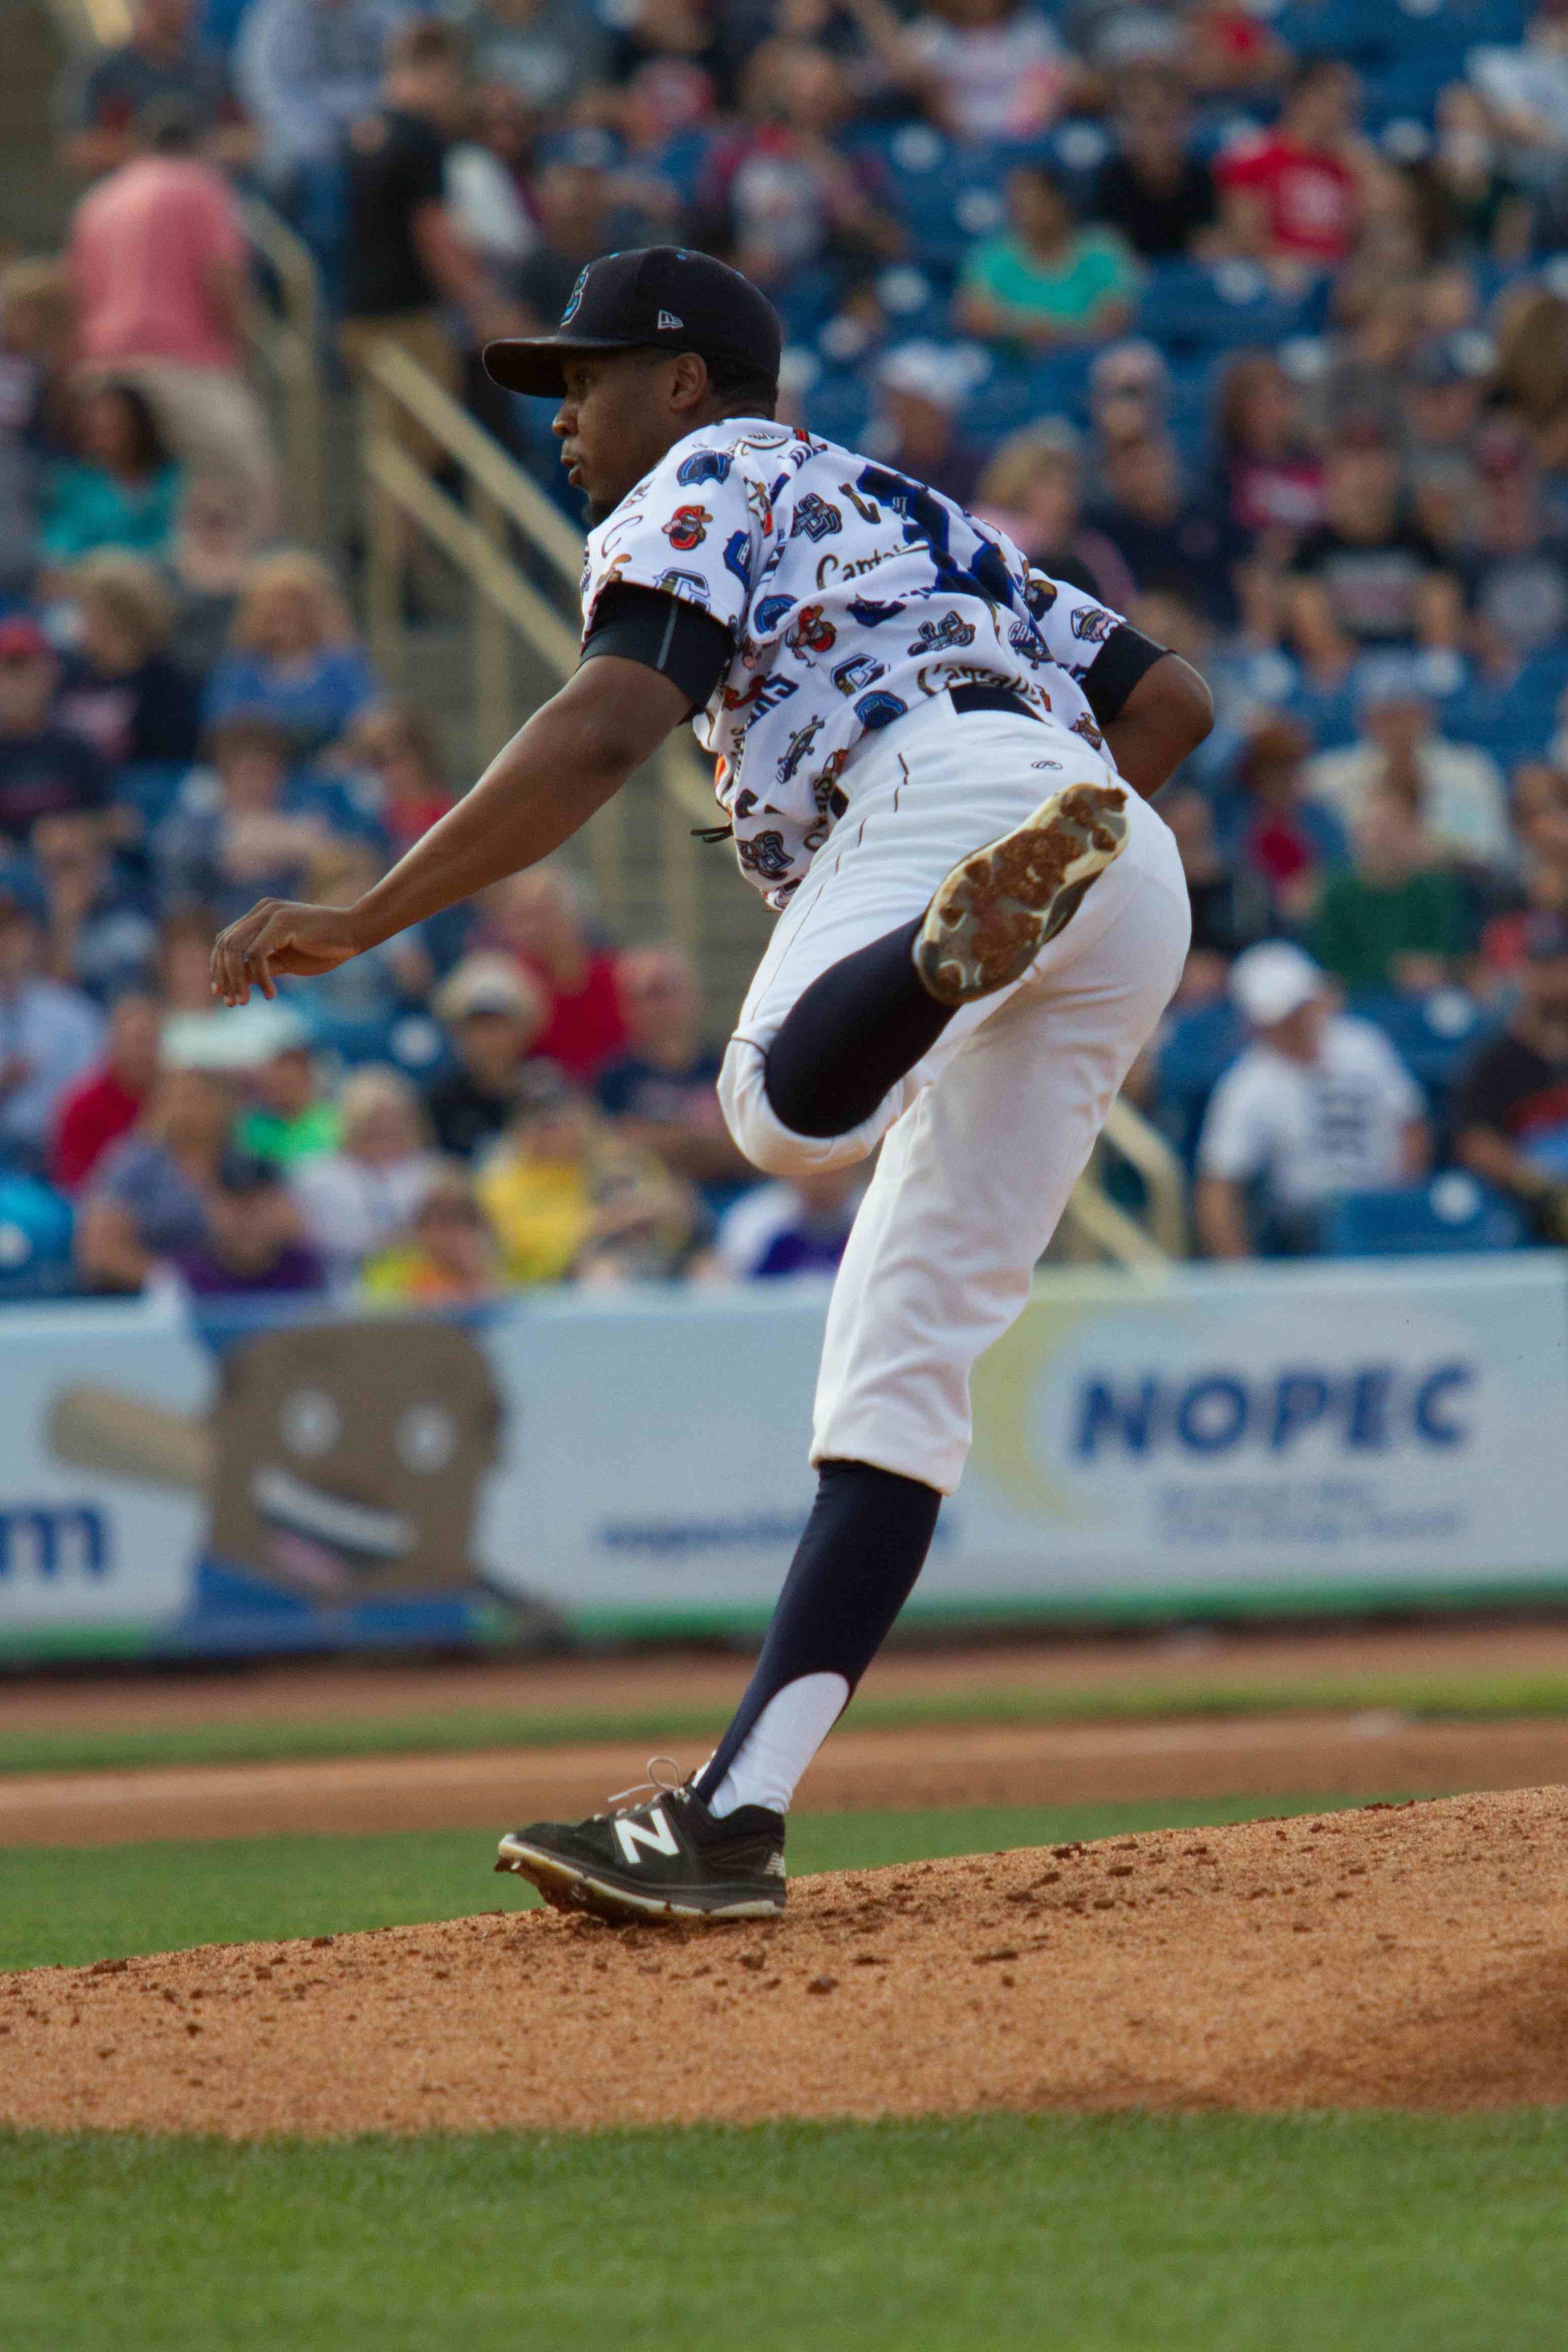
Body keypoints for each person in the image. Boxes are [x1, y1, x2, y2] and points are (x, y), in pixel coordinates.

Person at [210, 244, 1212, 1920]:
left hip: (942, 805)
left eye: (582, 381)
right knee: (897, 1358)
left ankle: (940, 953)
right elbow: (1169, 696)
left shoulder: (701, 473)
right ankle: (730, 1814)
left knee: (769, 1110)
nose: (562, 423)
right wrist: (1060, 826)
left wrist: (371, 909)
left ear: (681, 380)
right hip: (1117, 855)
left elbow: (610, 724)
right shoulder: (919, 511)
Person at [67, 102, 276, 513]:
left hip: (103, 371)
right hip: (184, 367)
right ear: (196, 147)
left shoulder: (98, 200)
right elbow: (223, 281)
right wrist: (242, 357)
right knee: (251, 491)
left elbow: (78, 293)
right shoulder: (200, 185)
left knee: (123, 502)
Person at [1195, 940, 1429, 1259]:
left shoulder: (1363, 1043)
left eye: (1300, 1007)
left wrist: (1395, 1203)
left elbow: (1412, 1125)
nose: (1297, 1022)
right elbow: (1218, 1189)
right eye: (1284, 1015)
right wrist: (1245, 1282)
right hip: (1307, 1230)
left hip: (1385, 1207)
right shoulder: (1247, 1085)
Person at [337, 21, 518, 433]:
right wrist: (484, 306)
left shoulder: (363, 132)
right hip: (408, 320)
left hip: (359, 314)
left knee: (388, 450)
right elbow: (432, 233)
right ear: (437, 70)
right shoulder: (419, 136)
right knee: (418, 450)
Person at [475, 1061, 697, 1286]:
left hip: (650, 1267)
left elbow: (675, 1215)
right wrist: (603, 1224)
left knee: (705, 1268)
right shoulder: (500, 1185)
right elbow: (530, 1257)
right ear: (517, 1127)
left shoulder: (615, 1161)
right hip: (547, 1293)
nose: (554, 1129)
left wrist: (658, 1212)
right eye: (540, 1121)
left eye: (560, 1117)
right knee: (603, 1274)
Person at [1286, 428, 1463, 679]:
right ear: (1335, 473)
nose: (1365, 475)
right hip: (1343, 677)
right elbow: (1313, 631)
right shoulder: (1313, 550)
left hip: (1410, 674)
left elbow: (1440, 627)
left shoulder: (1422, 545)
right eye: (1355, 463)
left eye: (1374, 461)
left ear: (1392, 471)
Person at [1305, 670, 1513, 873]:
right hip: (1361, 886)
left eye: (1407, 714)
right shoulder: (1328, 774)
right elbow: (1320, 851)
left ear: (1427, 715)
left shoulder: (1467, 769)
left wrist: (1422, 850)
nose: (1398, 727)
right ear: (1364, 721)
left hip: (1454, 884)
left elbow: (1487, 847)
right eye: (1386, 716)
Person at [596, 942, 750, 1195]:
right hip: (645, 1203)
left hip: (735, 1202)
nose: (656, 1007)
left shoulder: (732, 1065)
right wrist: (707, 1141)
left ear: (695, 996)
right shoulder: (612, 1078)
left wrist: (656, 1140)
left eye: (663, 992)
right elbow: (615, 1154)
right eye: (643, 996)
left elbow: (754, 1148)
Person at [1453, 911, 1568, 1239]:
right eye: (1541, 966)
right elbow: (1475, 1141)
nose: (1552, 978)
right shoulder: (1494, 1061)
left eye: (1560, 965)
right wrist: (1535, 1180)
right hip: (1527, 1204)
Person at [203, 551, 383, 755]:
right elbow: (221, 730)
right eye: (275, 607)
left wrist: (346, 754)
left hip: (332, 775)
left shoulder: (343, 666)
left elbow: (371, 720)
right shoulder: (239, 670)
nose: (286, 615)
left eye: (295, 605)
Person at [74, 1061, 231, 1290]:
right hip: (144, 1299)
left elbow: (286, 1231)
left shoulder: (244, 1162)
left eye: (198, 1099)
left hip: (234, 1295)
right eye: (178, 1100)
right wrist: (170, 1282)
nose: (188, 1110)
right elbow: (98, 1249)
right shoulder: (134, 1163)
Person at [1214, 57, 1374, 280]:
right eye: (1331, 101)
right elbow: (1245, 233)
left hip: (1338, 274)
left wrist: (1366, 170)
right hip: (1277, 273)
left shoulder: (1347, 163)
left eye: (1346, 106)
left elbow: (1372, 230)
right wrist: (1281, 262)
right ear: (1300, 98)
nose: (1339, 114)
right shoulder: (1254, 156)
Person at [56, 0, 248, 183]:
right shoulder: (102, 73)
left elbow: (254, 137)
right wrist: (160, 152)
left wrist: (204, 148)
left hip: (210, 194)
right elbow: (80, 149)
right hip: (129, 201)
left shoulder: (216, 68)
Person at [956, 164, 1138, 353]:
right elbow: (974, 316)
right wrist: (1032, 328)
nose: (1025, 213)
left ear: (1061, 202)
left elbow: (1115, 320)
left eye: (1035, 203)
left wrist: (1049, 331)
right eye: (1018, 205)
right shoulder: (992, 254)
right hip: (1010, 361)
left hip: (1086, 359)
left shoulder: (1102, 250)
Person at [1310, 783, 1470, 997]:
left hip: (1423, 998)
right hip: (1358, 1001)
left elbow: (1446, 955)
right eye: (1374, 827)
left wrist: (1438, 970)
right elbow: (1332, 966)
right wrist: (1393, 970)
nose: (1383, 838)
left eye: (1394, 826)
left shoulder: (1434, 889)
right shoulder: (1338, 893)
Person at [289, 1063, 440, 1279]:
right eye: (371, 1121)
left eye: (392, 1119)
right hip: (334, 1288)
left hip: (421, 1290)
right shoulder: (312, 1178)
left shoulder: (435, 1175)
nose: (383, 1127)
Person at [0, 869, 107, 1175]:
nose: (4, 941)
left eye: (12, 929)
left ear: (33, 936)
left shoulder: (74, 1016)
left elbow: (89, 1102)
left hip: (50, 1160)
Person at [478, 862, 627, 1081]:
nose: (532, 928)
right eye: (520, 918)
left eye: (543, 913)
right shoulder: (505, 983)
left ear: (577, 914)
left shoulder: (619, 977)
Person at [55, 552, 202, 769]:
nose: (79, 619)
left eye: (86, 609)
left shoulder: (166, 682)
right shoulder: (68, 674)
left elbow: (169, 760)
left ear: (116, 616)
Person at [41, 382, 183, 568]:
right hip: (97, 582)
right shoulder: (76, 485)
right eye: (95, 429)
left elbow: (183, 537)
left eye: (113, 426)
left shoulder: (172, 478)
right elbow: (61, 545)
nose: (101, 433)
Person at [0, 617, 111, 849]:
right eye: (8, 673)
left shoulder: (76, 748)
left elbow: (119, 822)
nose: (15, 686)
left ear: (49, 675)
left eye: (26, 672)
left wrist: (72, 832)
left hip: (65, 869)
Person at [423, 951, 547, 1158]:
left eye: (499, 1026)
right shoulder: (440, 1102)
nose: (489, 1040)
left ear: (523, 1030)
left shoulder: (548, 1092)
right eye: (478, 1028)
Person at [1091, 70, 1218, 262]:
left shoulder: (1200, 174)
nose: (1156, 136)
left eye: (1162, 122)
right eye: (1149, 123)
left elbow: (1212, 241)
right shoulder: (1113, 178)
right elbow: (1108, 246)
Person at [50, 989, 163, 1192]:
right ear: (113, 1043)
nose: (143, 1052)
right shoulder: (83, 1106)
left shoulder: (175, 1097)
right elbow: (75, 1182)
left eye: (150, 1042)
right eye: (136, 1042)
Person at [174, 1148, 326, 1295]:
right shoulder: (183, 1279)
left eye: (258, 1204)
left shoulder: (305, 1270)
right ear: (210, 1205)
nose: (247, 1218)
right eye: (236, 1204)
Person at [361, 1160, 504, 1303]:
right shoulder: (391, 1269)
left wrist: (473, 1276)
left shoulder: (495, 1267)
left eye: (465, 1221)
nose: (455, 1233)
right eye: (443, 1221)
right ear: (418, 1226)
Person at [712, 1162, 861, 1279]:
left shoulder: (872, 1215)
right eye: (812, 1164)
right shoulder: (751, 1221)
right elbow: (730, 1290)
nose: (823, 1175)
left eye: (834, 1165)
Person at [235, 1014, 342, 1164]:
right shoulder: (251, 1127)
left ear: (308, 1081)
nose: (281, 1091)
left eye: (288, 1084)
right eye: (275, 1084)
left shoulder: (334, 1125)